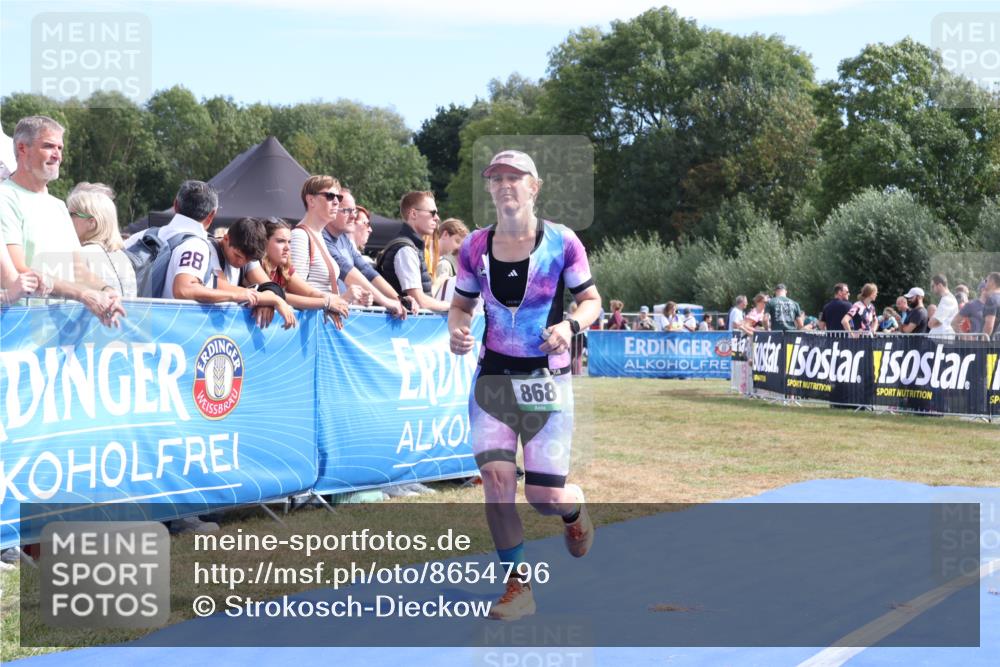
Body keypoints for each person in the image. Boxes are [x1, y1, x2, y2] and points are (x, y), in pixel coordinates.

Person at [448, 149, 601, 621]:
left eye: (517, 178)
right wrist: (456, 328)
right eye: (498, 179)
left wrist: (570, 327)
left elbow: (590, 300)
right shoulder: (474, 246)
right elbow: (461, 305)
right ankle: (519, 587)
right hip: (493, 377)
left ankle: (572, 508)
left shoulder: (563, 242)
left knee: (542, 498)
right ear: (490, 189)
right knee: (496, 482)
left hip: (544, 381)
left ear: (535, 187)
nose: (507, 185)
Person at [1, 115, 124, 325]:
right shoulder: (5, 197)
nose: (57, 155)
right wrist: (83, 294)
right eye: (49, 146)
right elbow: (19, 272)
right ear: (22, 149)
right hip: (19, 328)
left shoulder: (58, 205)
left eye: (60, 148)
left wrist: (107, 291)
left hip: (58, 331)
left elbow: (78, 270)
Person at [243, 218, 349, 328]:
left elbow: (309, 292)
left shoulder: (284, 269)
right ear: (264, 243)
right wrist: (326, 303)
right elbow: (281, 297)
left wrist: (331, 300)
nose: (287, 248)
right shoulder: (254, 265)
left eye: (289, 242)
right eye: (280, 241)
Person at [323, 188, 409, 312]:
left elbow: (366, 270)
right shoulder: (323, 237)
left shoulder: (343, 238)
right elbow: (346, 270)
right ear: (333, 209)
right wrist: (386, 301)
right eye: (347, 210)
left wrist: (399, 299)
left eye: (354, 211)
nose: (353, 216)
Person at [380, 191, 452, 313]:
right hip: (403, 328)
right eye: (432, 212)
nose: (437, 218)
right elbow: (419, 300)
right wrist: (450, 306)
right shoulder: (406, 249)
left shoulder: (411, 246)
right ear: (413, 213)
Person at [67, 183, 137, 298]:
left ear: (91, 223)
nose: (66, 218)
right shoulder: (124, 257)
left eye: (71, 214)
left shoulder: (81, 254)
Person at [431, 217, 470, 300]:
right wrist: (440, 280)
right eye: (457, 241)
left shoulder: (440, 261)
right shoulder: (426, 254)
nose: (458, 247)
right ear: (445, 234)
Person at [928, 274, 958, 339]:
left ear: (940, 285)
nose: (932, 289)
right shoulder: (945, 299)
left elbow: (932, 323)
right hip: (940, 339)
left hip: (942, 340)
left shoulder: (947, 300)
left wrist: (932, 321)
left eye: (933, 286)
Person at [980, 272, 1000, 338]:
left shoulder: (992, 299)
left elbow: (989, 326)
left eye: (986, 280)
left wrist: (983, 344)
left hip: (993, 344)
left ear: (992, 282)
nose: (985, 283)